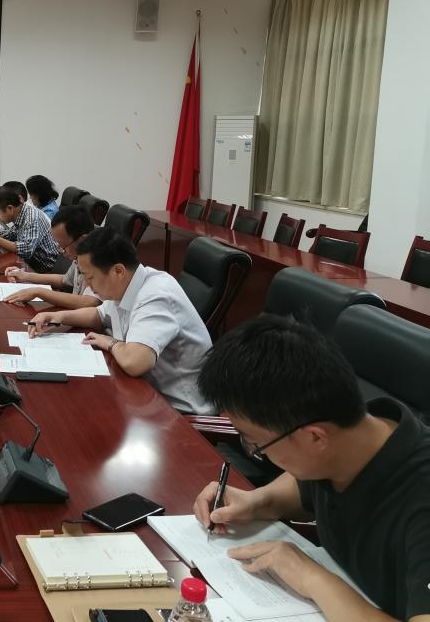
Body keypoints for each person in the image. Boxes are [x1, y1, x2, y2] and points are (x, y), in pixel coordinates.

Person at [192, 316, 430, 622]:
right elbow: (304, 486)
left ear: (315, 437)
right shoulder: (350, 438)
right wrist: (257, 502)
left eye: (257, 444)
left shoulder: (420, 500)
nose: (259, 452)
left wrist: (312, 579)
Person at [28, 226, 212, 414]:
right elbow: (99, 315)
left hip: (180, 410)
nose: (87, 285)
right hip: (144, 393)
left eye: (90, 277)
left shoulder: (156, 295)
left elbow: (135, 362)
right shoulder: (126, 285)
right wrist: (59, 317)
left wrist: (111, 343)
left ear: (118, 271)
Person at [3, 205, 100, 309]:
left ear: (82, 240)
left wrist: (39, 292)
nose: (61, 251)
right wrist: (25, 276)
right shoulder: (80, 254)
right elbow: (65, 280)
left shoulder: (101, 259)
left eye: (63, 246)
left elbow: (90, 302)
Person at [0, 185, 63, 274]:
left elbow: (26, 250)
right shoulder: (21, 212)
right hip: (29, 263)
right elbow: (11, 234)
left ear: (10, 208)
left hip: (44, 268)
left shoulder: (31, 218)